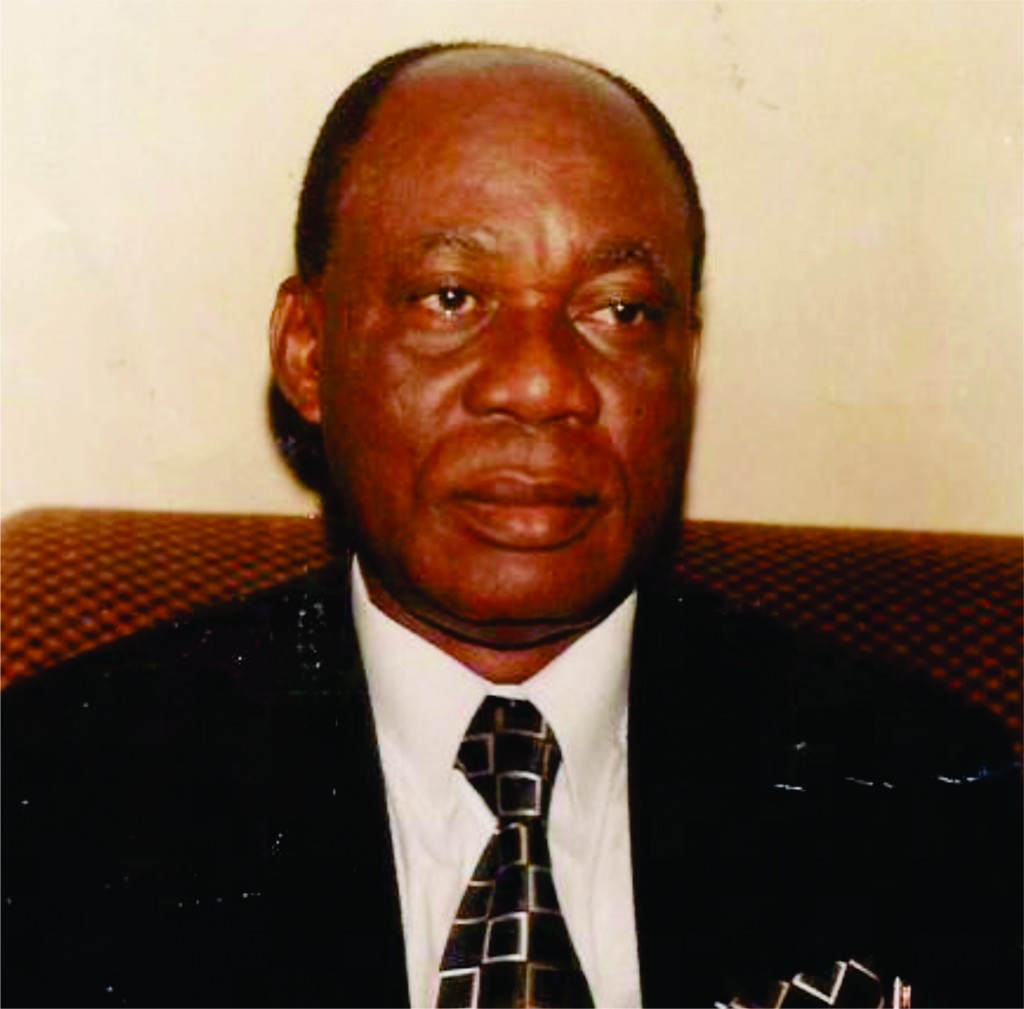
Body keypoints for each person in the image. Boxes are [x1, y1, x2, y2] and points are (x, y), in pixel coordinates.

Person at [2, 43, 1019, 1009]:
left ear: (685, 363)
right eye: (452, 299)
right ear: (309, 352)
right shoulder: (57, 796)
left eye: (620, 311)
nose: (541, 383)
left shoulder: (928, 790)